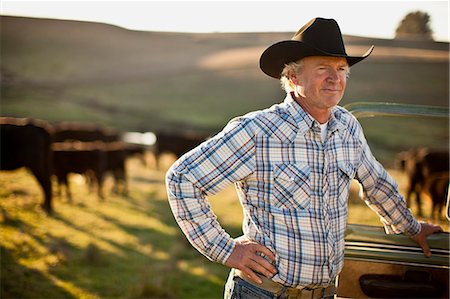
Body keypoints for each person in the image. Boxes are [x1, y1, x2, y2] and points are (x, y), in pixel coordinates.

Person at [165, 17, 442, 299]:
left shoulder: (347, 128)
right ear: (293, 77)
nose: (335, 78)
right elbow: (182, 178)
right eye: (323, 69)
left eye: (341, 69)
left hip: (323, 294)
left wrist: (412, 228)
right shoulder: (258, 131)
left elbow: (377, 184)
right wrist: (226, 250)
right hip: (264, 293)